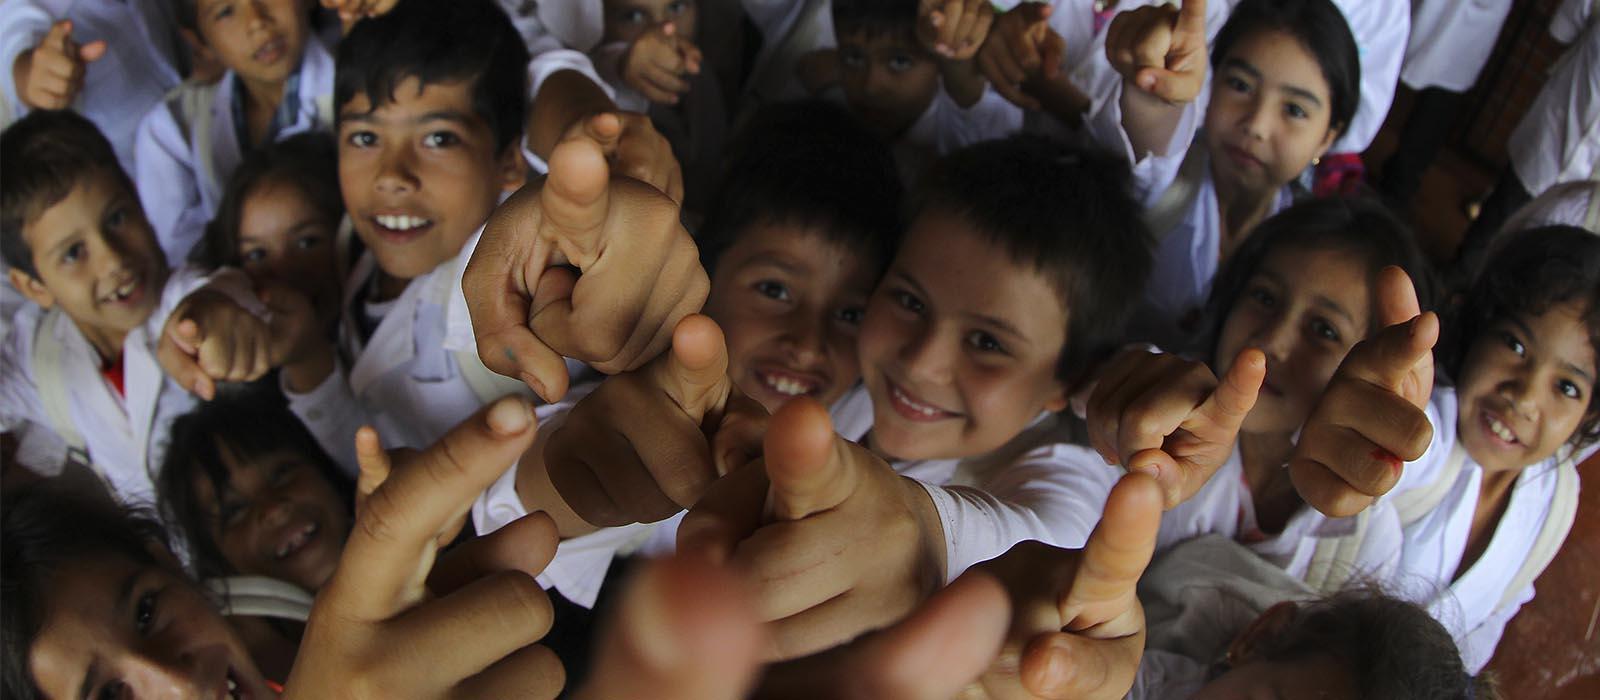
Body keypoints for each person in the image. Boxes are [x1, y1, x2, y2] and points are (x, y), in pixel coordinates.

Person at [1089, 197, 1436, 590]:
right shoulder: (1159, 413)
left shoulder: (1367, 541)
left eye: (1324, 330)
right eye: (1265, 297)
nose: (1273, 341)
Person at [0, 110, 276, 505]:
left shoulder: (182, 300)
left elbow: (222, 296)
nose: (112, 260)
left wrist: (212, 315)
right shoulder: (36, 352)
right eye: (74, 253)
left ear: (138, 198)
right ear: (34, 287)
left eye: (116, 218)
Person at [1092, 0, 1361, 347]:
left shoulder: (1310, 245)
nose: (1257, 125)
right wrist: (1154, 87)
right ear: (1211, 81)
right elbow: (1146, 145)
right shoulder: (1169, 181)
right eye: (1240, 85)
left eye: (1294, 110)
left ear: (1327, 138)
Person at [134, 0, 337, 265]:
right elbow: (183, 260)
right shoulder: (172, 127)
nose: (256, 21)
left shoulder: (359, 88)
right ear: (199, 41)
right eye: (225, 11)